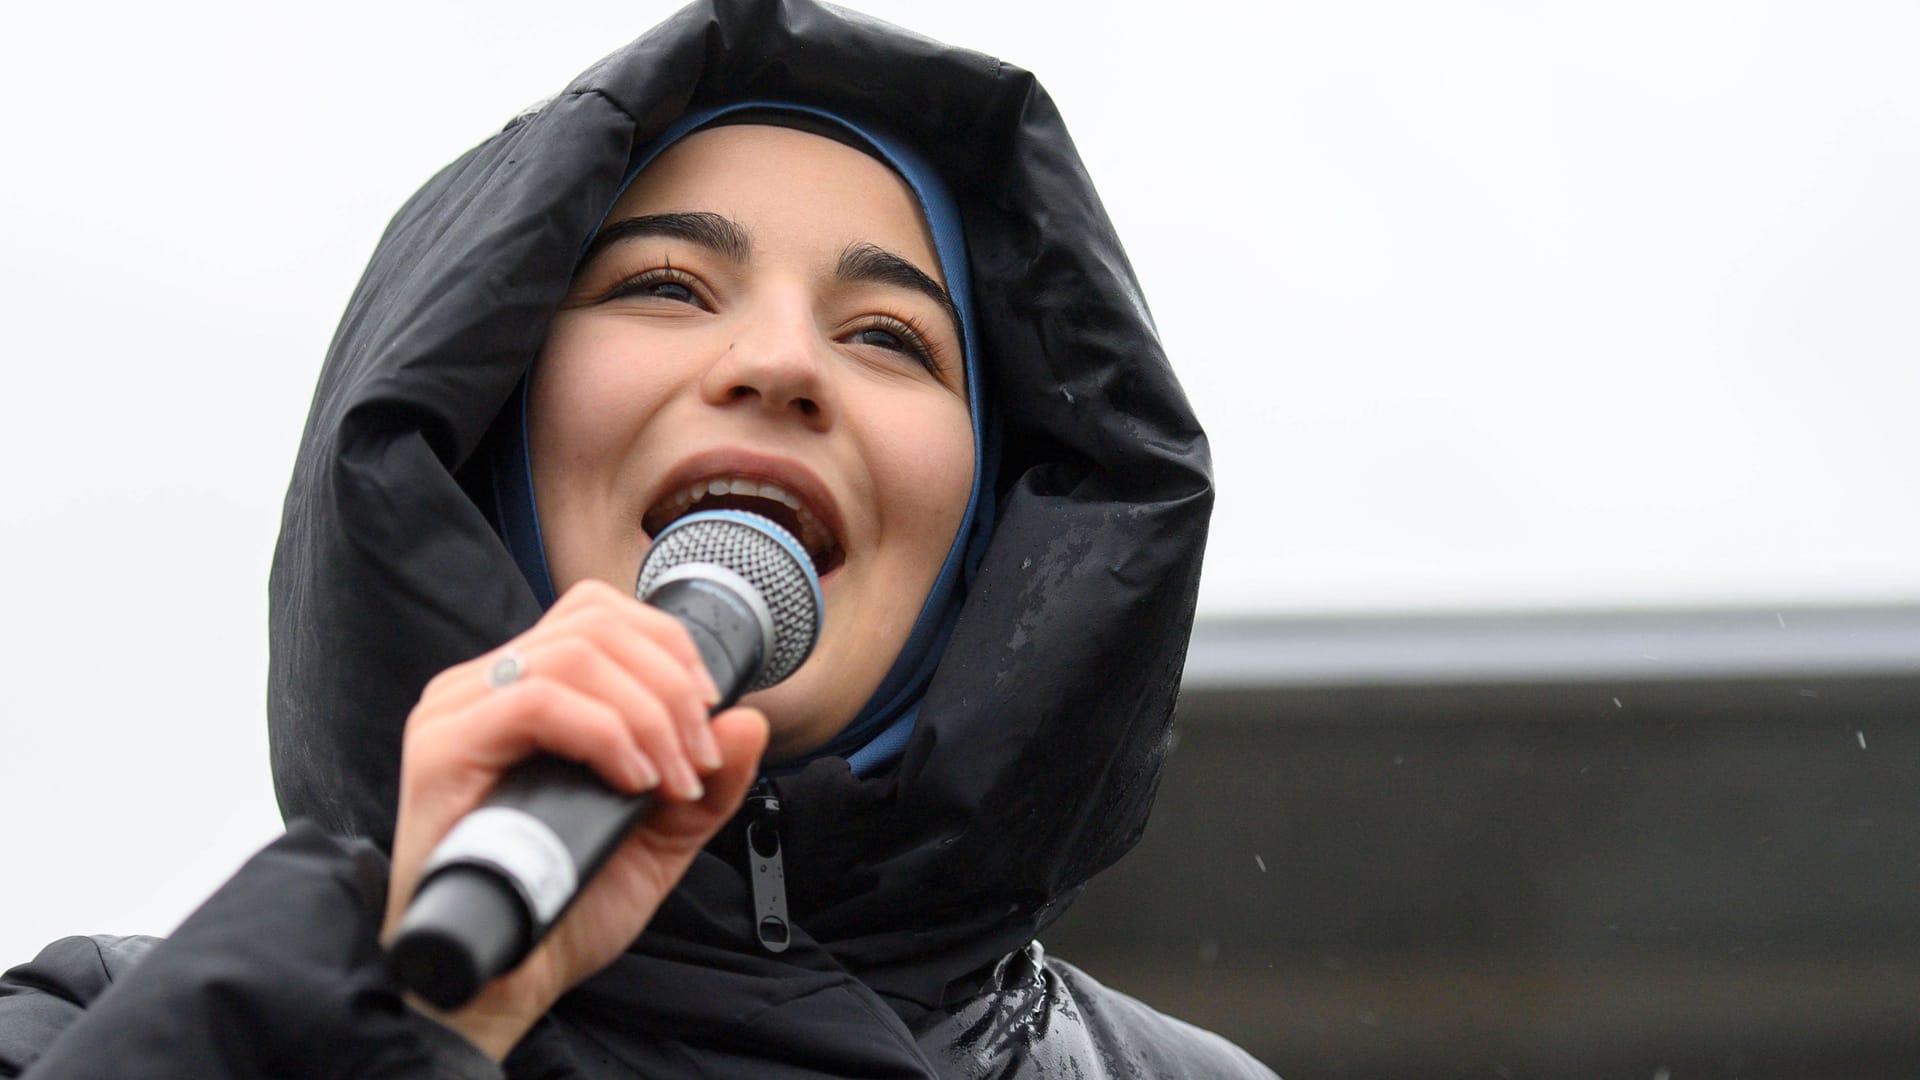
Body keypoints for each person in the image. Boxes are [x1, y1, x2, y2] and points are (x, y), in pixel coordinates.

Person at [0, 1, 1273, 1075]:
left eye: (889, 335)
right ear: (485, 424)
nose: (779, 362)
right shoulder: (94, 1034)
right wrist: (410, 1021)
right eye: (664, 286)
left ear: (994, 521)